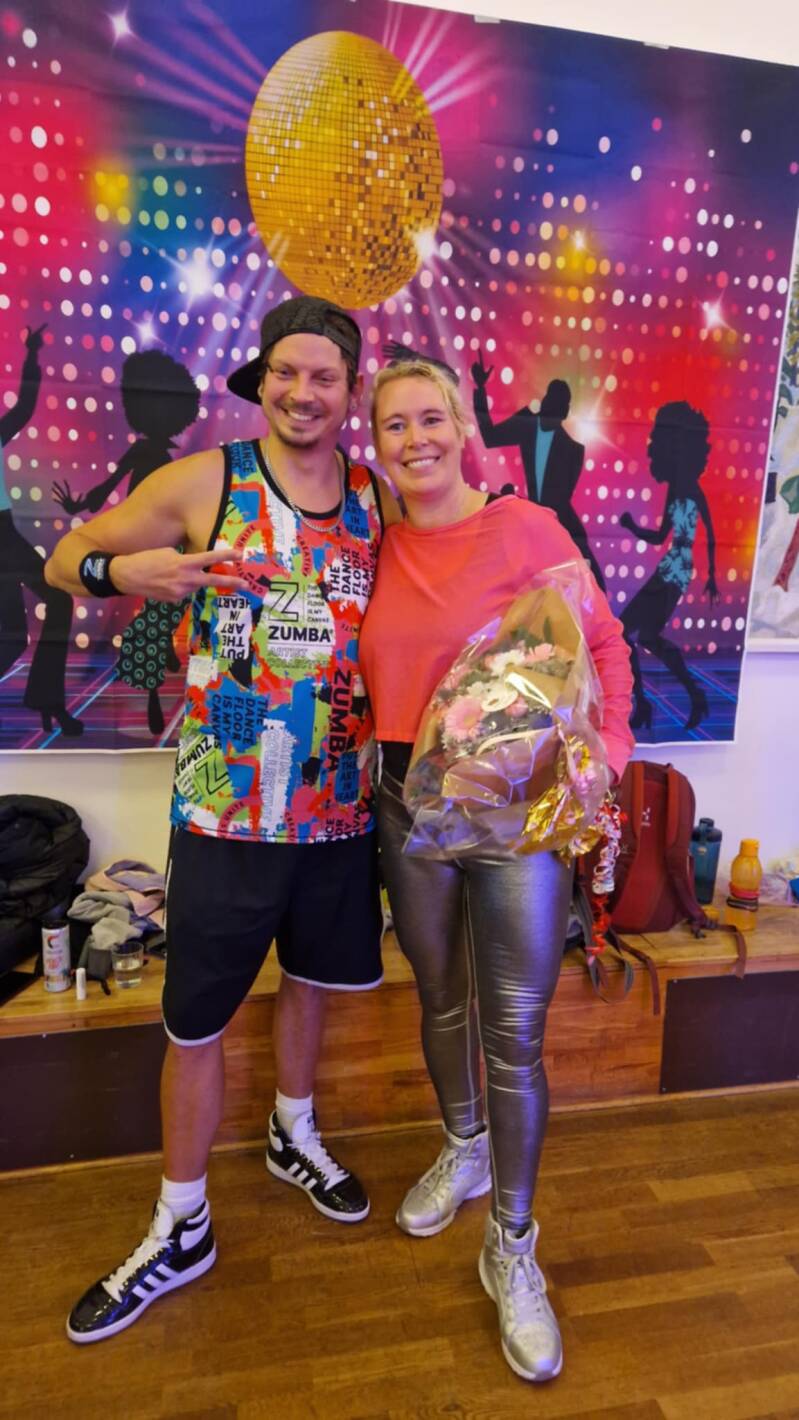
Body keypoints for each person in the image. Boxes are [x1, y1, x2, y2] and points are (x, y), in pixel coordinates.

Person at [45, 296, 400, 1343]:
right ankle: (182, 1220)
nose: (302, 392)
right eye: (286, 371)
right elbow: (68, 557)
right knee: (195, 1023)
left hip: (337, 812)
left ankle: (292, 1131)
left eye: (324, 375)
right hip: (226, 811)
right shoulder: (209, 479)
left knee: (311, 982)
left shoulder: (376, 497)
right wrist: (128, 571)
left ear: (349, 391)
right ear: (262, 378)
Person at [359, 357, 633, 1384]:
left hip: (514, 816)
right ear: (375, 446)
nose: (416, 439)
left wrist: (606, 758)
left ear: (464, 426)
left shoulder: (527, 528)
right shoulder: (373, 544)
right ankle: (463, 1144)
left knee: (513, 1035)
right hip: (406, 803)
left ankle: (512, 1244)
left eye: (431, 418)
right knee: (439, 998)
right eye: (394, 425)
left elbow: (604, 647)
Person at [53, 351, 203, 737]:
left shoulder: (180, 466)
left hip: (175, 548)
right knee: (152, 622)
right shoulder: (146, 454)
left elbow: (106, 491)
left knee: (164, 615)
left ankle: (159, 664)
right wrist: (79, 508)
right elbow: (106, 489)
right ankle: (152, 687)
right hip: (141, 545)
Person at [0, 324, 82, 736]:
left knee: (59, 601)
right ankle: (46, 702)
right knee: (14, 638)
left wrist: (32, 355)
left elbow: (24, 408)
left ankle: (48, 701)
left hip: (6, 536)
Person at [619, 400, 718, 731]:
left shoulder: (690, 489)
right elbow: (662, 534)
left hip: (676, 568)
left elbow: (711, 534)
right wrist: (633, 528)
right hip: (673, 565)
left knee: (629, 631)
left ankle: (654, 701)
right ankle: (668, 698)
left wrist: (713, 575)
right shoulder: (679, 488)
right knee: (641, 635)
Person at [471, 353, 606, 590]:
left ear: (565, 412)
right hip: (530, 516)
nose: (554, 408)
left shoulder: (574, 450)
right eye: (551, 401)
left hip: (559, 520)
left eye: (561, 406)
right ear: (544, 401)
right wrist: (480, 389)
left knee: (591, 578)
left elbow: (561, 498)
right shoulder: (526, 424)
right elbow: (490, 437)